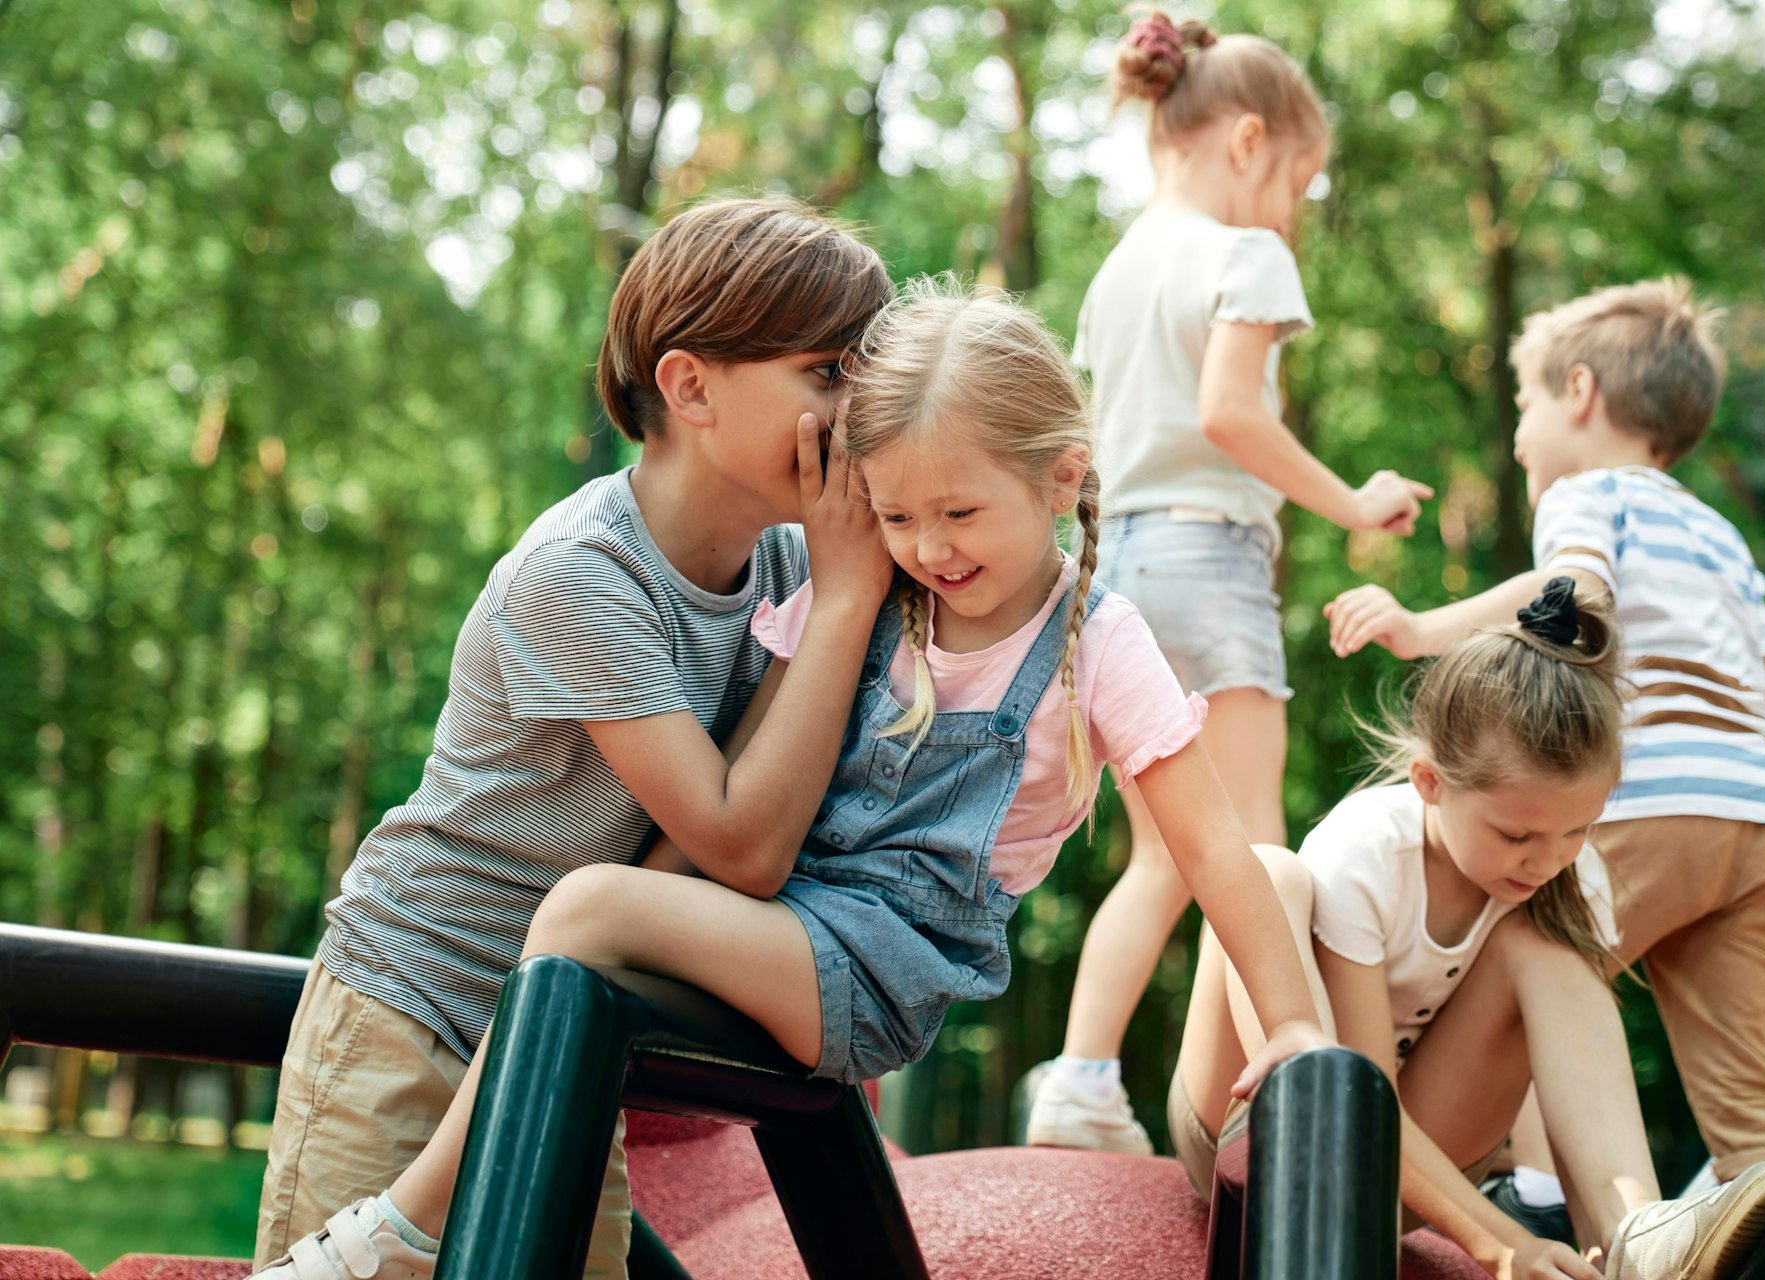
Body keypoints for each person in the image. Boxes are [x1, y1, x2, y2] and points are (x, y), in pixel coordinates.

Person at [250, 277, 1333, 1280]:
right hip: (775, 921)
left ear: (1062, 475)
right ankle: (425, 1206)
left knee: (584, 907)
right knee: (595, 931)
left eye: (960, 513)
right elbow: (750, 778)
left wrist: (1287, 1021)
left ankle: (401, 1220)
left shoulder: (1098, 641)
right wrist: (665, 902)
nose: (929, 547)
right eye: (897, 515)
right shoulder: (850, 594)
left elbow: (1212, 847)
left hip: (883, 964)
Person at [249, 196, 897, 1280]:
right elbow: (742, 844)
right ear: (690, 385)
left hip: (560, 1032)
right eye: (828, 372)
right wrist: (838, 608)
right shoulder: (584, 573)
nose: (858, 411)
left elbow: (699, 858)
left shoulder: (785, 570)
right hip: (412, 1014)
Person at [1325, 279, 1765, 1213]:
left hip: (1660, 800)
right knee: (1754, 1105)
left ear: (1580, 394)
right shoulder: (1719, 534)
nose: (1518, 435)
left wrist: (1421, 627)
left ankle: (1542, 1195)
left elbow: (1574, 595)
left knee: (1534, 972)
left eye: (1525, 406)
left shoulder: (1588, 495)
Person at [1028, 9, 1432, 1154]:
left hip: (1121, 565)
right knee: (1256, 848)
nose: (1297, 204)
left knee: (1171, 853)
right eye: (1301, 176)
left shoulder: (1118, 266)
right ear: (1248, 142)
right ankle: (1276, 1100)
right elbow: (1228, 412)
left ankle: (1080, 1080)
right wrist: (1352, 502)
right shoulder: (1246, 253)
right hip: (1211, 556)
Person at [1176, 582, 1765, 1280]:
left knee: (1547, 946)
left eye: (1578, 828)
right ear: (1429, 782)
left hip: (1413, 1173)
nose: (1548, 858)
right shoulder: (1365, 855)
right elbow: (1360, 1104)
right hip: (1263, 1139)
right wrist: (1502, 1242)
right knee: (1271, 872)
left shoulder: (1568, 877)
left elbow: (1575, 1073)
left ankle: (1640, 1235)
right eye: (1516, 834)